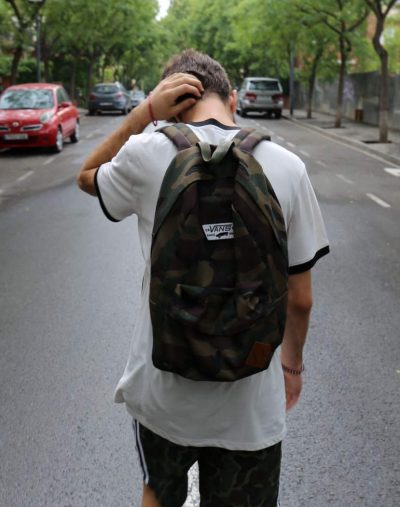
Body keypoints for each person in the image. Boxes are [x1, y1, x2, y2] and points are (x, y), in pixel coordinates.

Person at [77, 49, 329, 507]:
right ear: (233, 98)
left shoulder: (146, 154)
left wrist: (143, 115)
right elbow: (301, 299)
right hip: (251, 405)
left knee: (158, 495)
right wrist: (290, 367)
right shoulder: (289, 167)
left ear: (170, 100)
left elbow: (86, 175)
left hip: (163, 394)